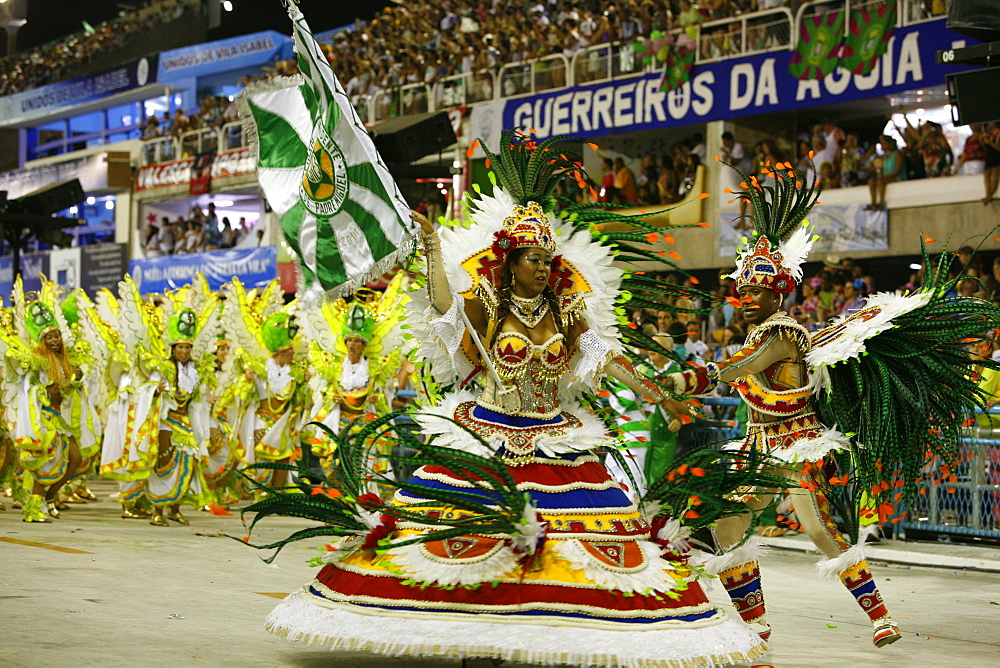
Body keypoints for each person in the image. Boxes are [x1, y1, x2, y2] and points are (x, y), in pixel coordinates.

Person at [258, 131, 771, 665]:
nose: (543, 268)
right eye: (532, 259)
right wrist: (433, 249)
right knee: (479, 538)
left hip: (554, 437)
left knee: (575, 544)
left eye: (548, 260)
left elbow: (606, 360)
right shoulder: (488, 310)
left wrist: (662, 393)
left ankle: (547, 624)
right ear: (510, 263)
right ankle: (471, 626)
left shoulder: (569, 314)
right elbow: (443, 311)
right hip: (489, 429)